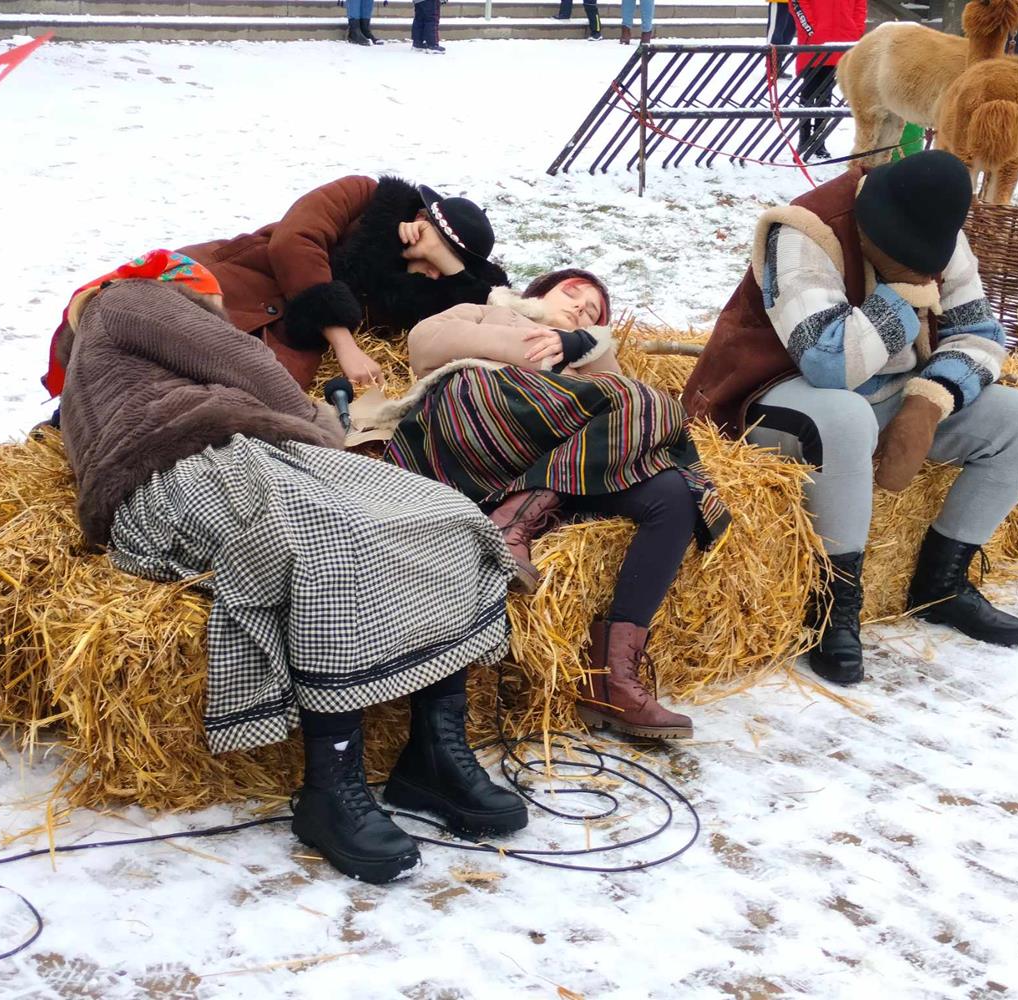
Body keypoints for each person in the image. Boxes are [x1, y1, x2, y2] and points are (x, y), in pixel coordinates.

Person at [55, 249, 525, 884]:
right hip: (179, 469)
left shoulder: (108, 355)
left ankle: (436, 756)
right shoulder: (131, 297)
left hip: (239, 452)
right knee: (326, 541)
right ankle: (331, 788)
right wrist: (318, 426)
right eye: (213, 307)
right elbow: (244, 360)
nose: (219, 317)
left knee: (443, 513)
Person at [683, 151, 1018, 686]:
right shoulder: (804, 229)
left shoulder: (938, 228)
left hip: (890, 392)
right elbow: (829, 364)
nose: (926, 264)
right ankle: (833, 610)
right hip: (769, 395)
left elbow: (981, 335)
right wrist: (903, 289)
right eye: (904, 253)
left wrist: (930, 400)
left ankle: (941, 586)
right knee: (847, 417)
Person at [379, 270, 732, 740]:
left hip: (550, 458)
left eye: (594, 312)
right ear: (540, 291)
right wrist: (540, 346)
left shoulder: (585, 356)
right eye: (573, 293)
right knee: (650, 404)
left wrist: (582, 345)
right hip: (482, 416)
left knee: (672, 493)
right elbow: (425, 342)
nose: (581, 307)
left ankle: (610, 680)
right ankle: (516, 518)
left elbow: (630, 420)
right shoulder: (489, 311)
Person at [173, 175, 509, 392]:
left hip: (276, 350)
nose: (436, 274)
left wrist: (447, 263)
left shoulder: (424, 292)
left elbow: (479, 309)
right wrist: (343, 342)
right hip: (226, 285)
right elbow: (295, 241)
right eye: (441, 252)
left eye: (447, 265)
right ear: (420, 220)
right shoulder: (362, 195)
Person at [793, 0, 866, 159]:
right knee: (809, 91)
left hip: (841, 39)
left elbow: (860, 6)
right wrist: (811, 29)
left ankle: (819, 141)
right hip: (814, 42)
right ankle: (804, 139)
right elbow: (798, 3)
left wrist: (856, 30)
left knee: (826, 94)